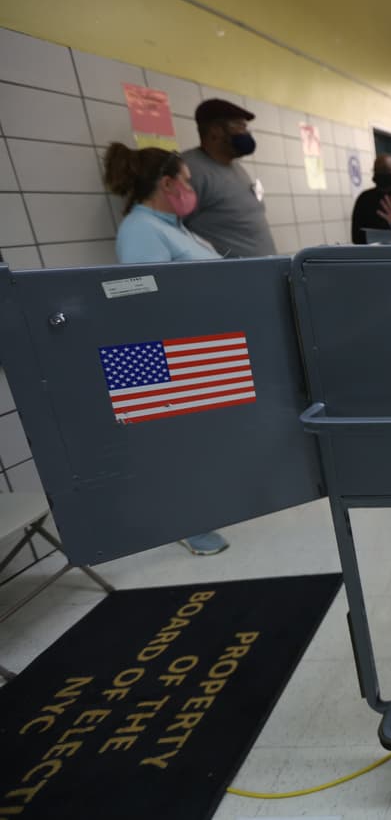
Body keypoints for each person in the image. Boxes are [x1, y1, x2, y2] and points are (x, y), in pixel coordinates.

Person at [102, 142, 229, 556]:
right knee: (179, 447)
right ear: (168, 182)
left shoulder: (172, 226)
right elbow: (144, 303)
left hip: (196, 346)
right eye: (188, 182)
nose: (192, 190)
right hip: (167, 353)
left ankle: (205, 511)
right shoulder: (141, 230)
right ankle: (187, 524)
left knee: (202, 444)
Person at [182, 99, 277, 258]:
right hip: (228, 279)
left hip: (259, 276)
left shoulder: (236, 168)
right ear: (215, 130)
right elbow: (168, 230)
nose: (245, 133)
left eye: (245, 127)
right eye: (239, 126)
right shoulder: (190, 171)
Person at [350, 154, 391, 244]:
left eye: (386, 172)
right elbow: (357, 237)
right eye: (380, 171)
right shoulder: (364, 199)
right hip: (374, 255)